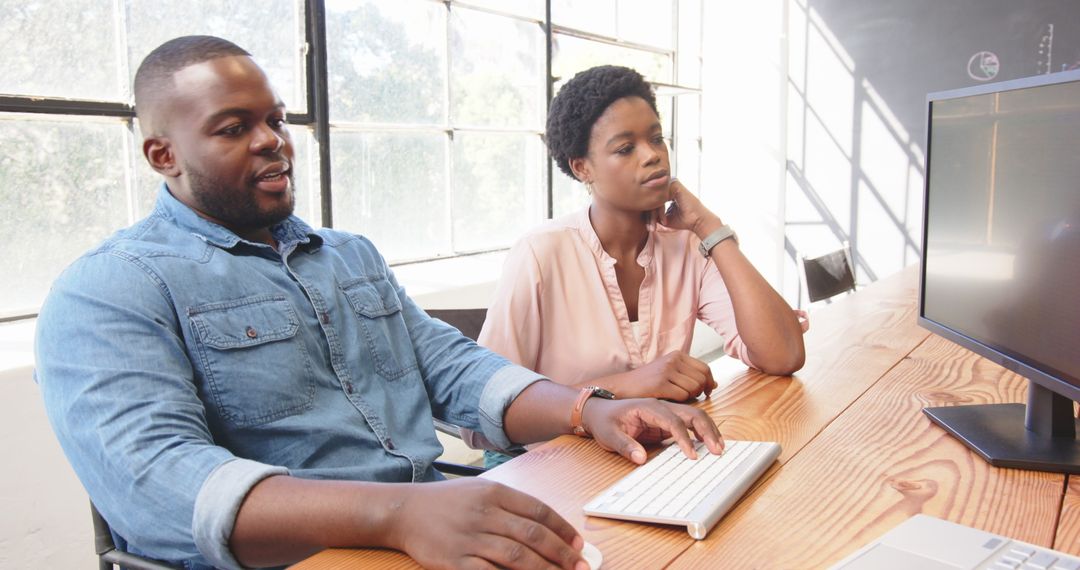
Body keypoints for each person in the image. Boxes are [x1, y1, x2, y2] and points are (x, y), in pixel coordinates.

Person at [34, 37, 724, 570]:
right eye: (232, 127)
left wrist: (590, 410)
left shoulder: (349, 256)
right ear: (162, 154)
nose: (273, 139)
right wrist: (400, 513)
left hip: (421, 531)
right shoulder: (108, 292)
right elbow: (159, 486)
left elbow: (453, 370)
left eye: (274, 119)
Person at [472, 65, 807, 465]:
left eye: (656, 138)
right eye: (625, 148)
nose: (652, 156)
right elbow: (480, 415)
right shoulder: (540, 254)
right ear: (583, 168)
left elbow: (783, 355)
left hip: (651, 457)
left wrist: (709, 227)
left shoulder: (686, 244)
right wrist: (626, 386)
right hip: (550, 464)